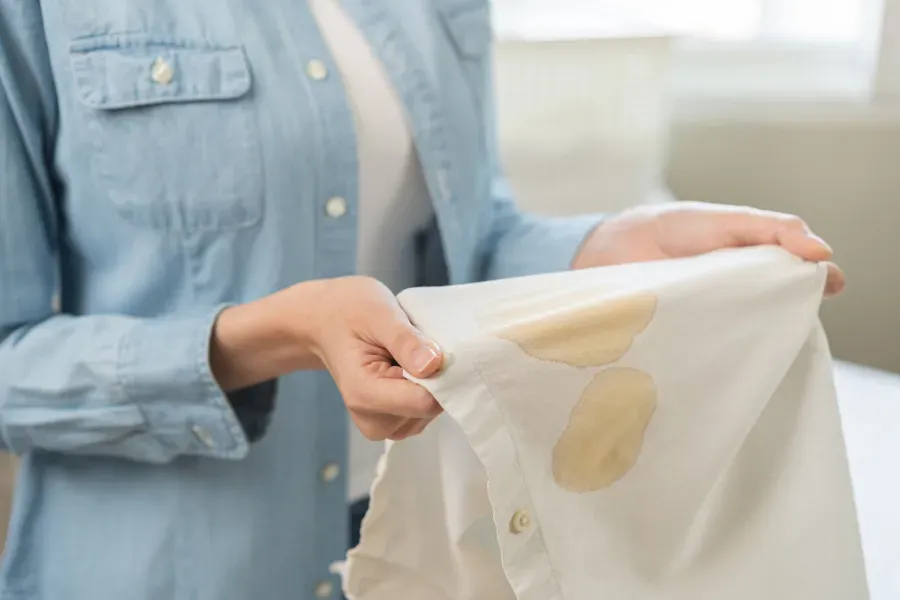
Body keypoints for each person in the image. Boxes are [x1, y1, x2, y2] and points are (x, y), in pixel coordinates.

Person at [0, 1, 843, 599]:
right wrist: (275, 337)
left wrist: (621, 244)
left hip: (426, 548)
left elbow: (471, 241)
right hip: (163, 569)